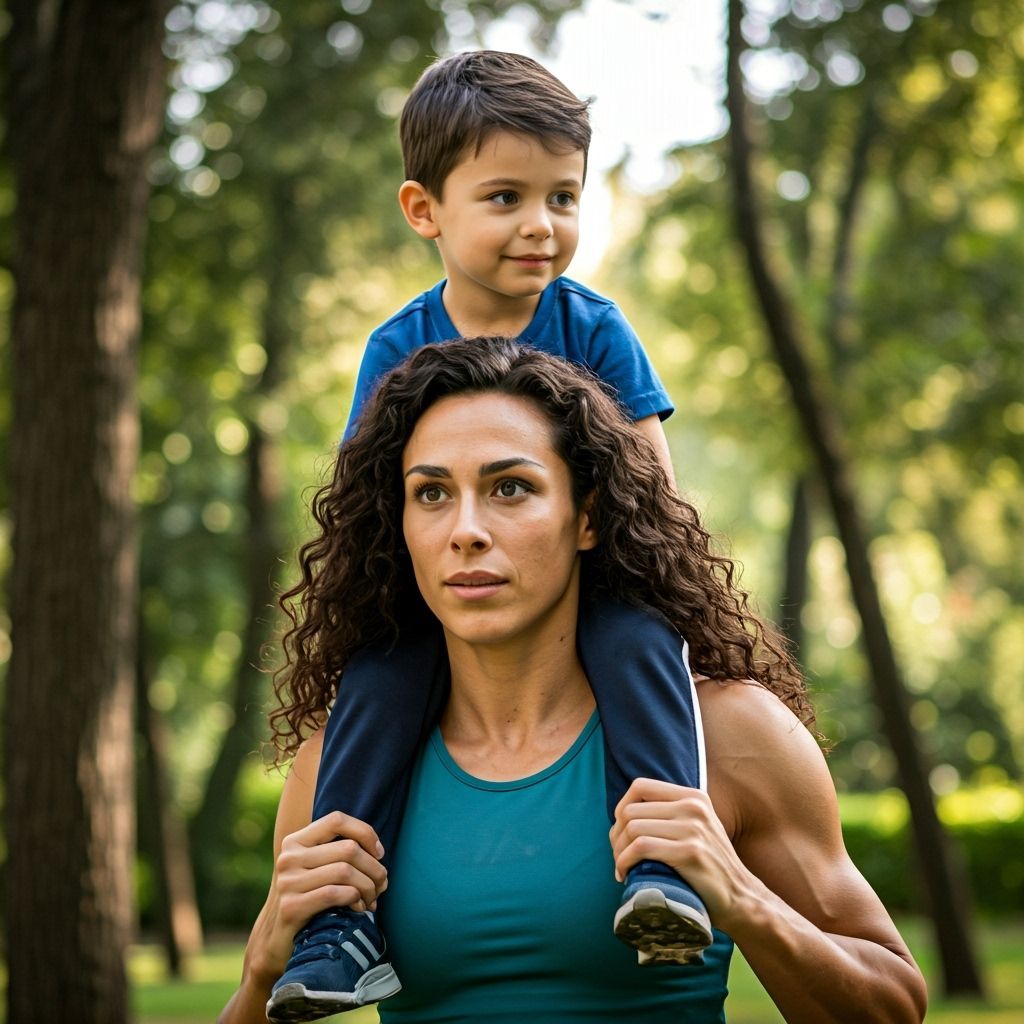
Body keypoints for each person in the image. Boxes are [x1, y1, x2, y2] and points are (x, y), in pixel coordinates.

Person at [220, 338, 928, 1024]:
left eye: (511, 488)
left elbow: (894, 1006)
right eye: (431, 493)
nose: (466, 529)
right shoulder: (334, 776)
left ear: (586, 516)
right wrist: (260, 972)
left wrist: (742, 897)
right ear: (398, 523)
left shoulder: (728, 735)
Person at [266, 49, 715, 1022]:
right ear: (425, 210)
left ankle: (660, 875)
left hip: (593, 585)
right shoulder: (398, 348)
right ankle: (340, 924)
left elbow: (654, 498)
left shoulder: (593, 328)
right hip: (448, 603)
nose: (539, 226)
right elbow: (369, 505)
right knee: (378, 680)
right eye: (506, 196)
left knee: (640, 639)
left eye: (563, 197)